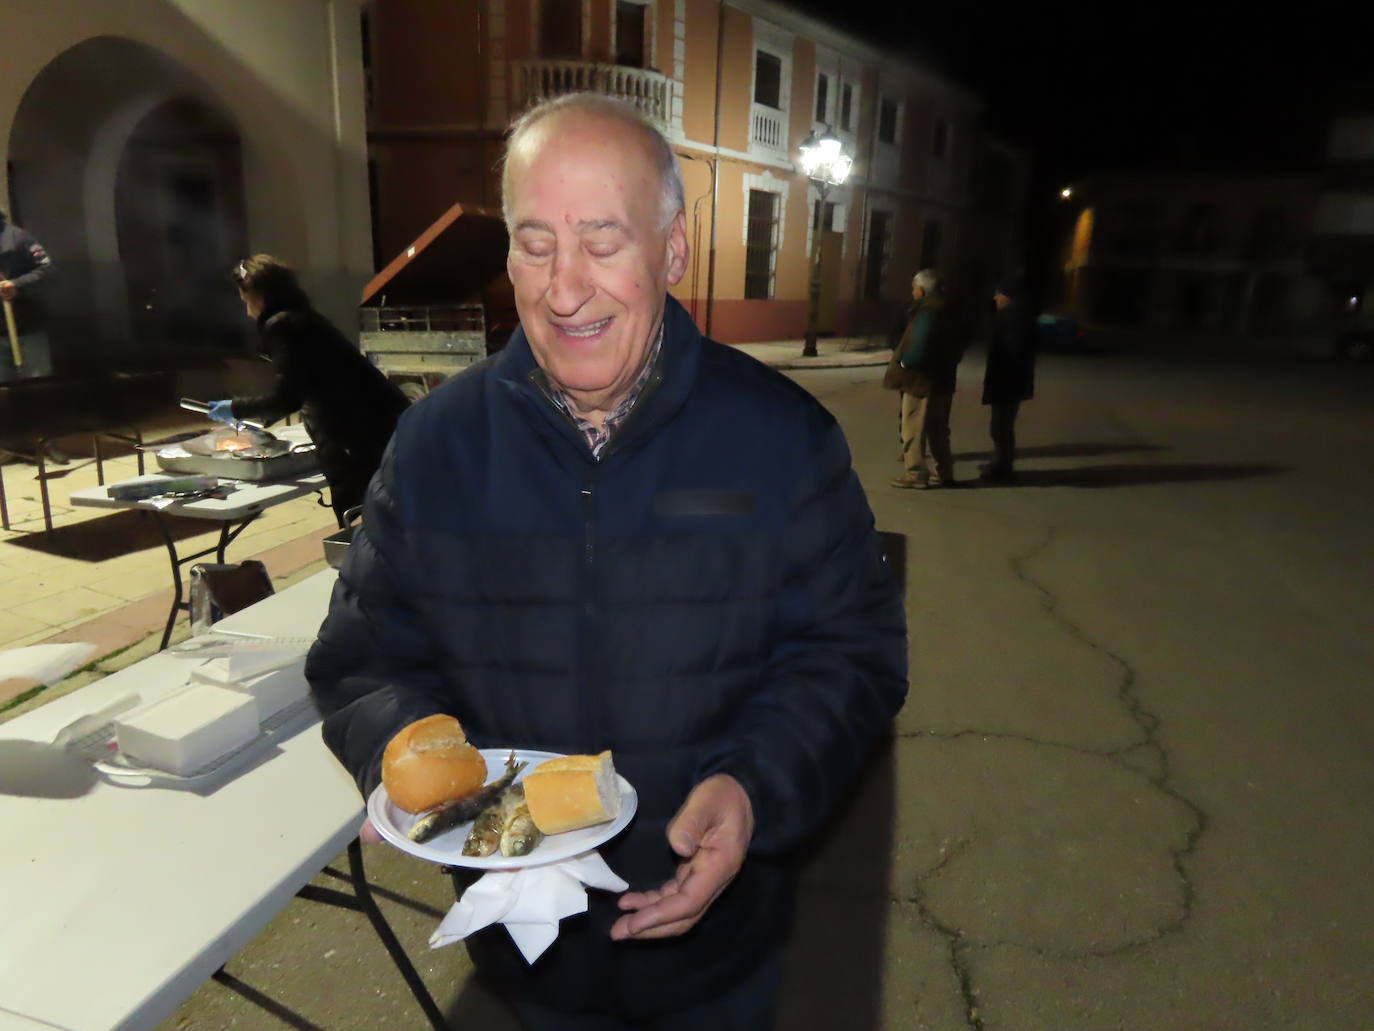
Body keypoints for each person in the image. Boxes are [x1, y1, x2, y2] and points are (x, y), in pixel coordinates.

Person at [305, 93, 908, 1030]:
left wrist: (754, 786)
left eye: (603, 240)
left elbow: (854, 651)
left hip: (717, 954)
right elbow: (359, 660)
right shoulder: (435, 446)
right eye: (536, 243)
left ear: (671, 252)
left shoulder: (782, 439)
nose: (564, 288)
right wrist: (408, 750)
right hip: (522, 957)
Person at [208, 255, 409, 524]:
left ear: (259, 296)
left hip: (356, 439)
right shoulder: (306, 319)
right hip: (378, 429)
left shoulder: (283, 326)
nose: (246, 311)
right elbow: (304, 384)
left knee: (365, 524)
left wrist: (236, 408)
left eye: (245, 300)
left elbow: (286, 398)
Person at [888, 269, 962, 489]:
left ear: (920, 290)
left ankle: (916, 473)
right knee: (938, 428)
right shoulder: (949, 311)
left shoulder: (928, 312)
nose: (912, 293)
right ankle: (944, 471)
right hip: (943, 379)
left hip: (921, 381)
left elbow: (918, 349)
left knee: (912, 426)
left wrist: (904, 363)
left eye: (914, 288)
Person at [980, 274, 1037, 483]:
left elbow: (1011, 353)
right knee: (1002, 426)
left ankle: (1002, 467)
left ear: (1008, 296)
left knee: (1000, 427)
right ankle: (1000, 463)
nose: (995, 298)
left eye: (999, 294)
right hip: (1011, 382)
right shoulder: (1018, 315)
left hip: (1007, 383)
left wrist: (1001, 381)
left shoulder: (1012, 318)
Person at [0, 208, 56, 383]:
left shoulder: (18, 238)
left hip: (27, 330)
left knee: (38, 389)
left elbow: (47, 270)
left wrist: (16, 285)